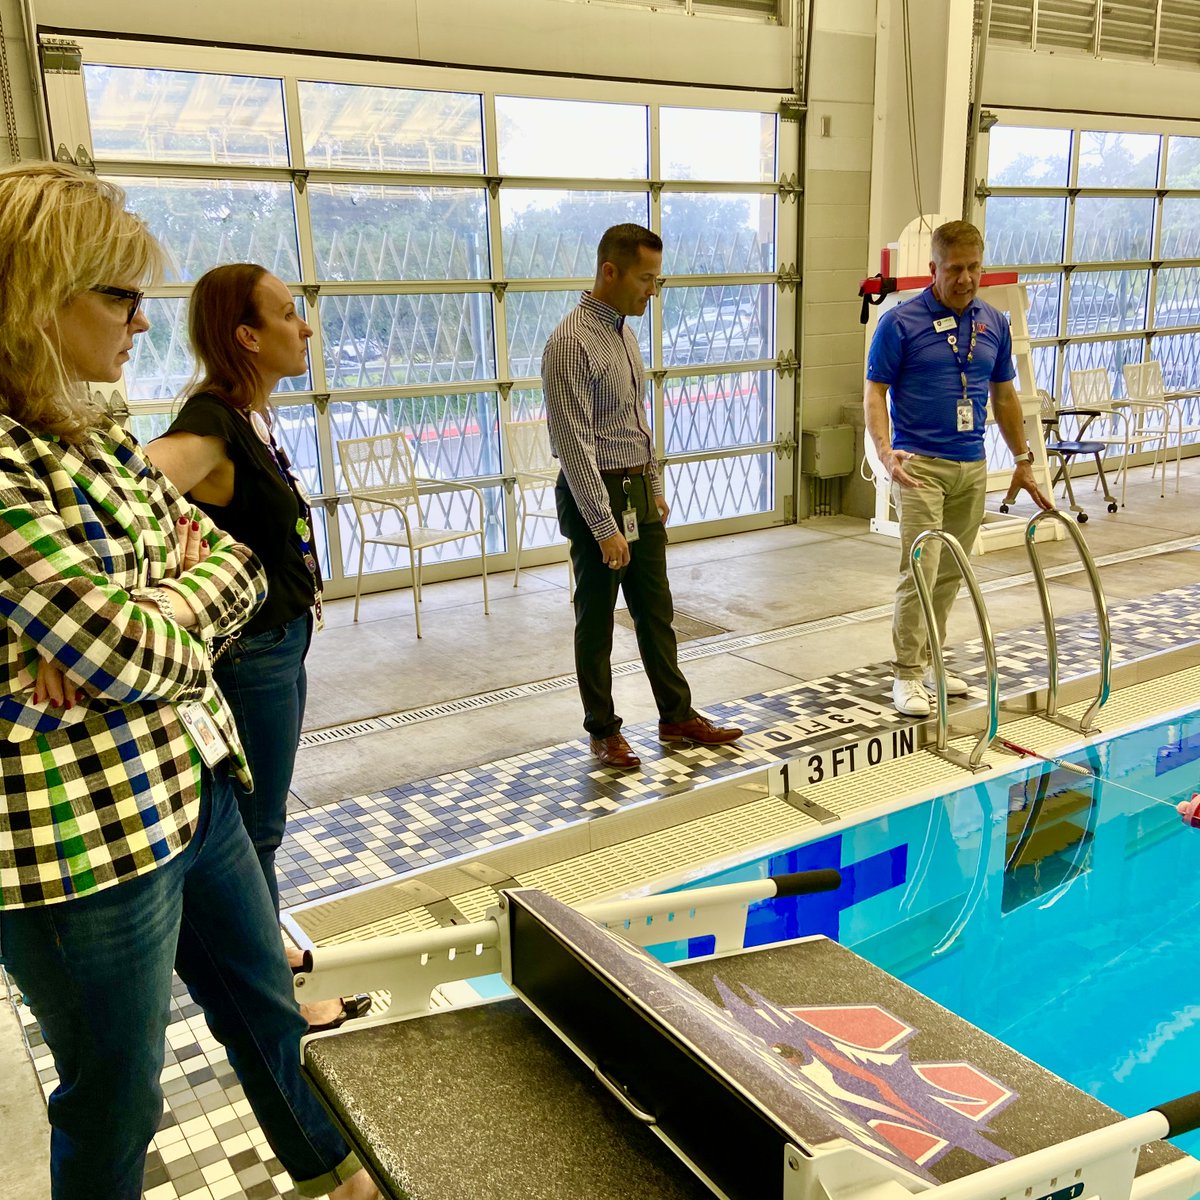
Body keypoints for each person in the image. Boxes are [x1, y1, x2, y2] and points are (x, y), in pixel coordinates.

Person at [0, 164, 378, 1200]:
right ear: (39, 296)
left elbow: (233, 566)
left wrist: (139, 612)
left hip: (189, 776)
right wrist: (145, 620)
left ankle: (334, 1169)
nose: (139, 319)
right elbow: (130, 648)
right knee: (119, 1095)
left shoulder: (91, 429)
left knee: (263, 1005)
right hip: (85, 843)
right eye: (118, 295)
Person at [146, 263, 369, 1032]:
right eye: (286, 315)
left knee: (256, 827)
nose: (303, 328)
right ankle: (273, 998)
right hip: (250, 657)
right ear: (246, 335)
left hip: (282, 642)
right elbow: (133, 488)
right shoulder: (210, 420)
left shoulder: (250, 415)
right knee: (255, 831)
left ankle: (265, 951)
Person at [542, 223, 743, 769]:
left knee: (656, 612)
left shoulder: (625, 333)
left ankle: (677, 715)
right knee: (598, 618)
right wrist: (604, 525)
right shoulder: (568, 343)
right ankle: (603, 729)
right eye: (645, 279)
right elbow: (573, 443)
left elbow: (637, 422)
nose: (652, 291)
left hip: (634, 488)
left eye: (657, 280)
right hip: (595, 493)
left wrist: (653, 488)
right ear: (611, 271)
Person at [864, 219, 1053, 717]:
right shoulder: (900, 323)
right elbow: (875, 392)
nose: (965, 278)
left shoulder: (993, 321)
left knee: (950, 574)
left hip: (971, 464)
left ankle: (931, 664)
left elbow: (1005, 395)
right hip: (919, 465)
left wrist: (1024, 460)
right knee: (920, 573)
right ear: (934, 268)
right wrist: (885, 453)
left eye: (973, 268)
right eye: (954, 269)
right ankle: (905, 675)